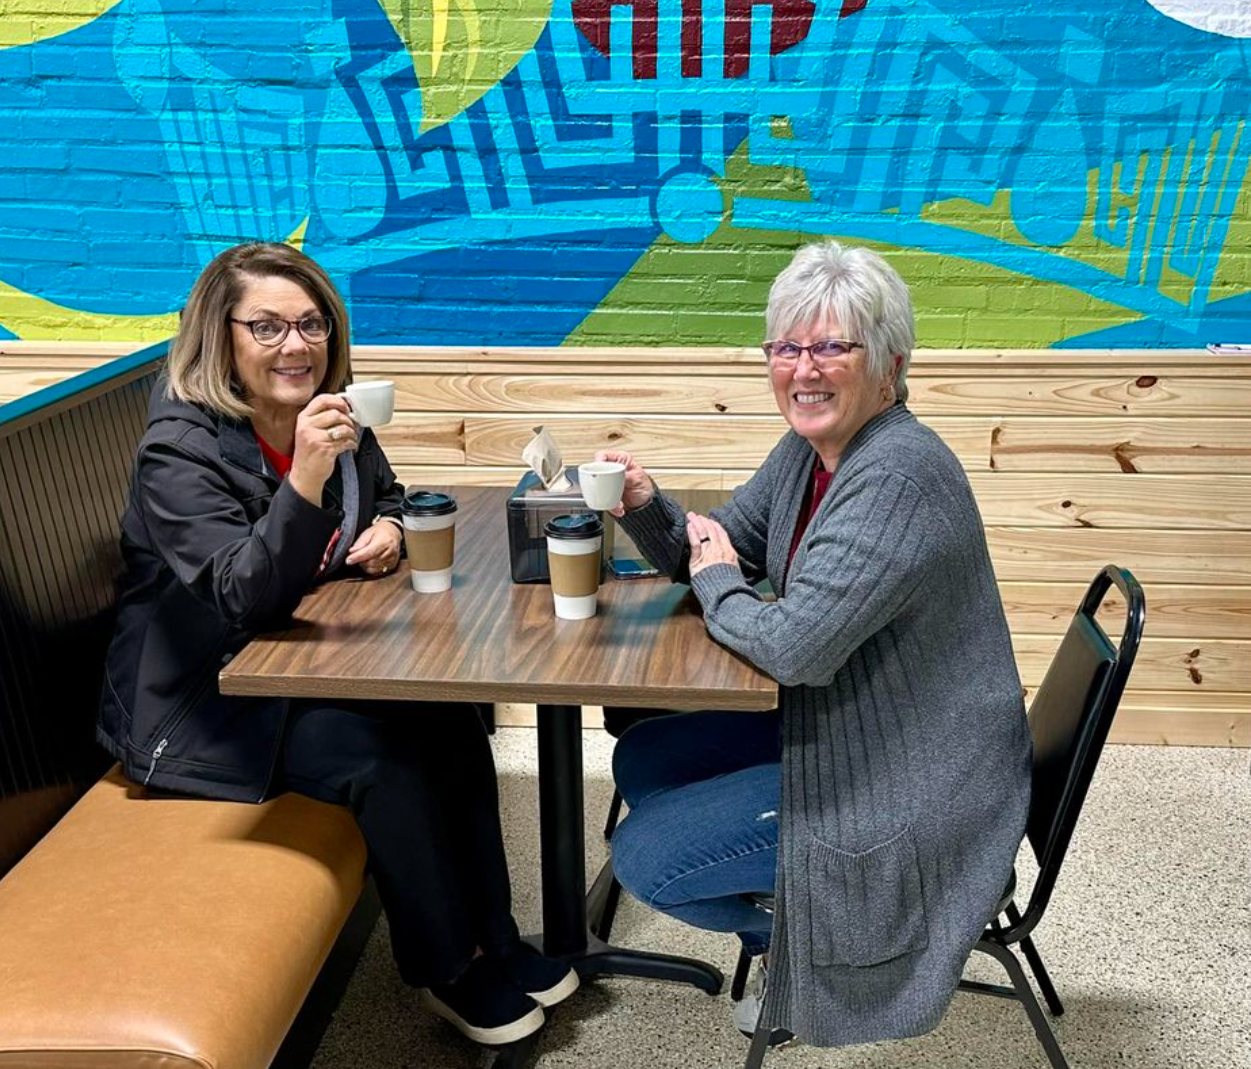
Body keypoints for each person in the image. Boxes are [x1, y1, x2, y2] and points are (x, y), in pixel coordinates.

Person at [97, 242, 574, 1048]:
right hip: (206, 700)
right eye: (267, 326)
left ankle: (494, 936)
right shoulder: (179, 449)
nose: (296, 345)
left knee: (450, 717)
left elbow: (385, 490)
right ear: (220, 336)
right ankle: (447, 968)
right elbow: (241, 594)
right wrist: (306, 477)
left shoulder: (330, 411)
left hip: (302, 661)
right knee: (377, 759)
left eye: (312, 324)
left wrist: (388, 524)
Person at [599, 241, 1032, 1048]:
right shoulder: (811, 450)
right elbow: (723, 545)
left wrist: (720, 579)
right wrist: (647, 506)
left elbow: (795, 647)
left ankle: (793, 949)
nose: (804, 368)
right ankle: (788, 922)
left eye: (832, 346)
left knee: (645, 857)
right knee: (645, 758)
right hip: (846, 725)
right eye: (786, 347)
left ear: (889, 363)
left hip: (912, 784)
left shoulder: (896, 476)